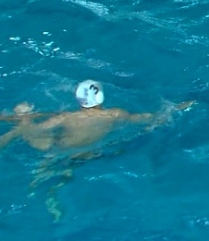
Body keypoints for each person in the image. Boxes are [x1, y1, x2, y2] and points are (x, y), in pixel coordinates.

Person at [0, 80, 194, 220]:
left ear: (79, 100)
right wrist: (176, 108)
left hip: (58, 151)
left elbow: (39, 130)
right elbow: (147, 118)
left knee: (26, 132)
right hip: (88, 154)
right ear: (100, 97)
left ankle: (20, 119)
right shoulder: (115, 114)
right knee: (65, 174)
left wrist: (24, 118)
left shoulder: (67, 117)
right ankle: (54, 201)